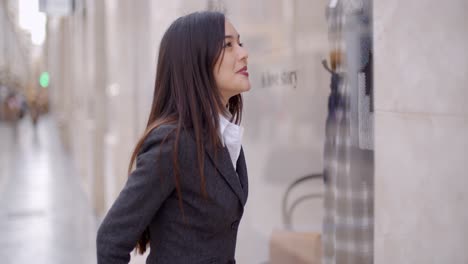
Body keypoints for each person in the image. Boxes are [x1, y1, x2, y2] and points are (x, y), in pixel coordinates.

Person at [96, 11, 251, 264]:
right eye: (228, 45)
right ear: (195, 60)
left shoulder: (224, 136)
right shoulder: (173, 143)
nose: (243, 53)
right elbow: (111, 239)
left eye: (240, 43)